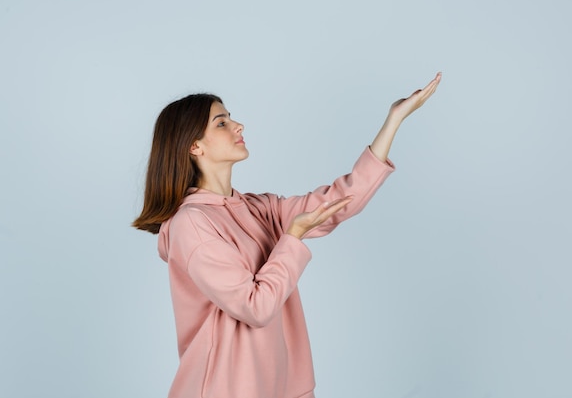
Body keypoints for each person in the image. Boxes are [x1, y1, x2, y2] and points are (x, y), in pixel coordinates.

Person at [133, 72, 442, 398]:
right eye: (221, 123)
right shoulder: (191, 224)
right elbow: (255, 307)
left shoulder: (257, 209)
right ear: (194, 146)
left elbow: (340, 201)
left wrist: (394, 120)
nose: (238, 126)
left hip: (281, 386)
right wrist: (292, 238)